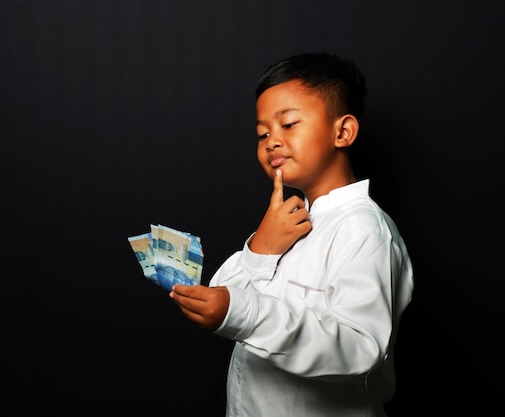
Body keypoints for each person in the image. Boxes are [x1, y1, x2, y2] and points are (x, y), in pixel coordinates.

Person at [170, 52, 414, 417]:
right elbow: (225, 298)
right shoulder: (286, 222)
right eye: (263, 133)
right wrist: (260, 248)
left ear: (342, 131)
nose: (271, 141)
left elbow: (360, 347)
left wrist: (243, 313)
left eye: (289, 124)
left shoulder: (363, 229)